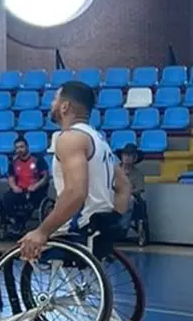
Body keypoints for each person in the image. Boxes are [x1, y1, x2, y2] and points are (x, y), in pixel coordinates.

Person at [19, 81, 131, 261]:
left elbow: (76, 192)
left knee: (6, 257)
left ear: (65, 107)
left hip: (77, 229)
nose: (51, 104)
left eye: (55, 99)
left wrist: (42, 231)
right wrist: (111, 222)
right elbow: (124, 186)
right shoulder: (99, 140)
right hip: (97, 227)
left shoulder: (70, 138)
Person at [1, 136, 49, 237]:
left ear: (27, 147)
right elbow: (11, 178)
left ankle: (20, 224)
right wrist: (14, 187)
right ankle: (15, 221)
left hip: (35, 189)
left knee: (31, 201)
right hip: (20, 189)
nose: (19, 149)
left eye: (21, 147)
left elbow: (45, 178)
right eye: (17, 148)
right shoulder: (13, 163)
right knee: (6, 198)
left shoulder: (38, 160)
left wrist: (36, 186)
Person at [115, 143, 146, 234]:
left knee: (130, 200)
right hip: (113, 194)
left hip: (130, 196)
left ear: (134, 158)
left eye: (130, 155)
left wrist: (126, 192)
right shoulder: (114, 170)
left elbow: (139, 189)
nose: (127, 158)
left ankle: (122, 227)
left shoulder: (138, 174)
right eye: (125, 155)